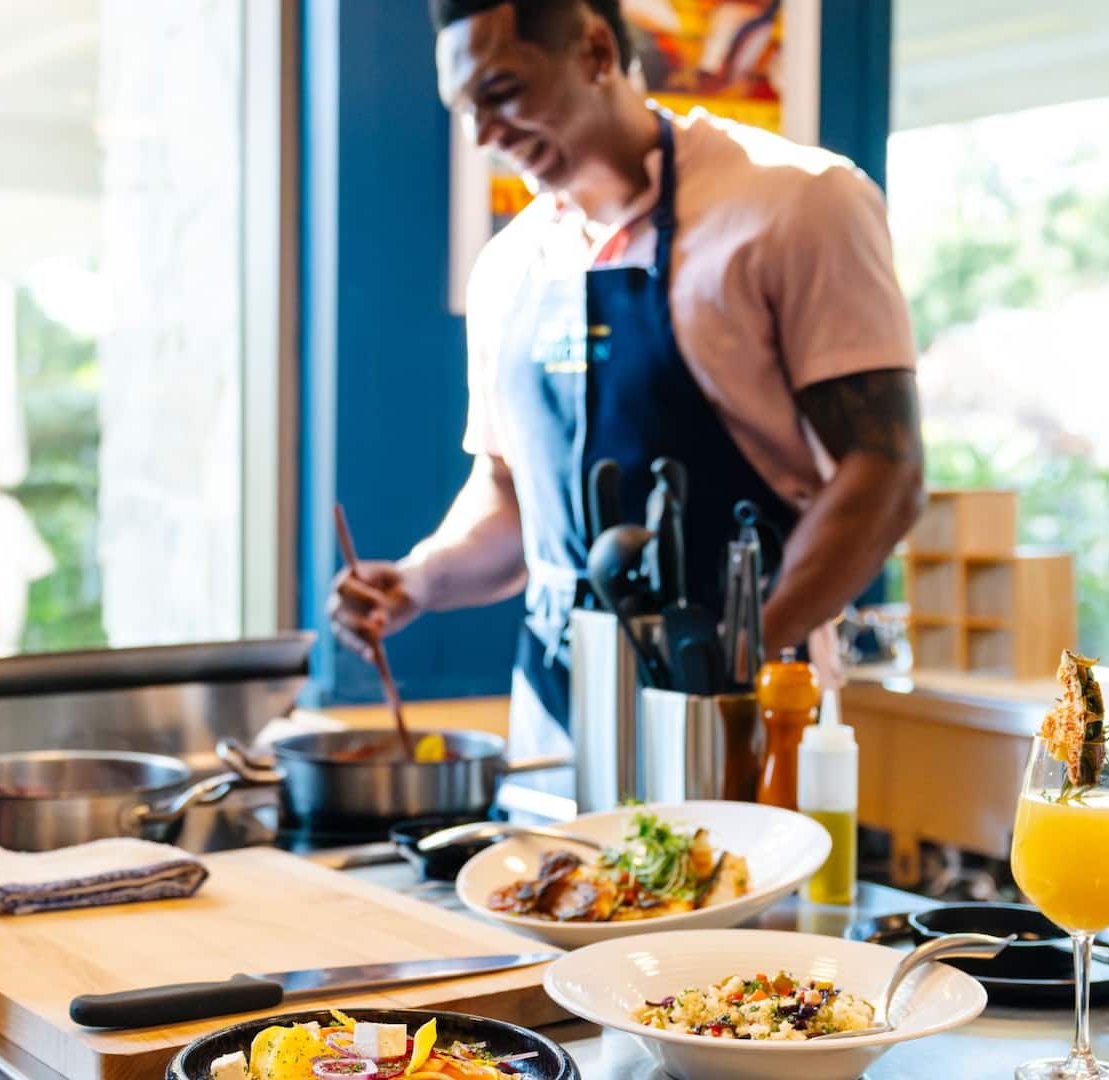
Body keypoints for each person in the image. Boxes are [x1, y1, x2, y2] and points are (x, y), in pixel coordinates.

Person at [329, 0, 925, 770]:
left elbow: (885, 474)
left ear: (596, 51)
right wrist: (416, 580)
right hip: (556, 726)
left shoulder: (798, 203)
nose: (482, 136)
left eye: (502, 93)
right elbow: (511, 498)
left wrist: (736, 663)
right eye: (466, 109)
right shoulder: (506, 269)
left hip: (748, 711)